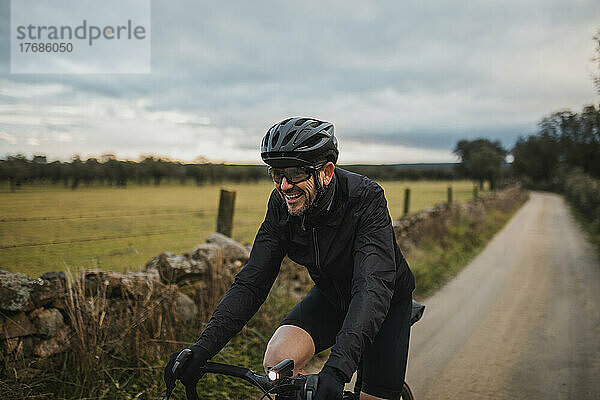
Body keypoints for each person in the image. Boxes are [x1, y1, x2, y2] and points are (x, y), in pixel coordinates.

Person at [164, 117, 415, 400]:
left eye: (295, 173)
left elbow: (372, 286)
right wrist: (202, 349)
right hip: (331, 296)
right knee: (278, 367)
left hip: (384, 301)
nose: (284, 186)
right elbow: (251, 283)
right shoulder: (281, 206)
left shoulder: (365, 199)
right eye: (276, 174)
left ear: (327, 172)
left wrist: (335, 371)